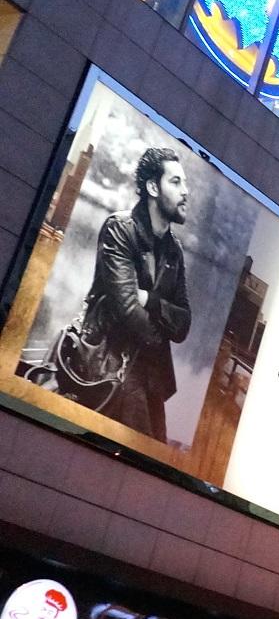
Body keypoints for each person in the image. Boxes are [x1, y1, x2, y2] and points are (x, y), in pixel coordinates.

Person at [79, 146, 193, 440]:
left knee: (154, 450)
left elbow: (183, 324)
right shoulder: (120, 228)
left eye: (185, 183)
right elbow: (128, 309)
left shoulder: (174, 251)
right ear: (152, 187)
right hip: (107, 362)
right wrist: (159, 332)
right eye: (176, 182)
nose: (186, 191)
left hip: (148, 374)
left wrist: (151, 300)